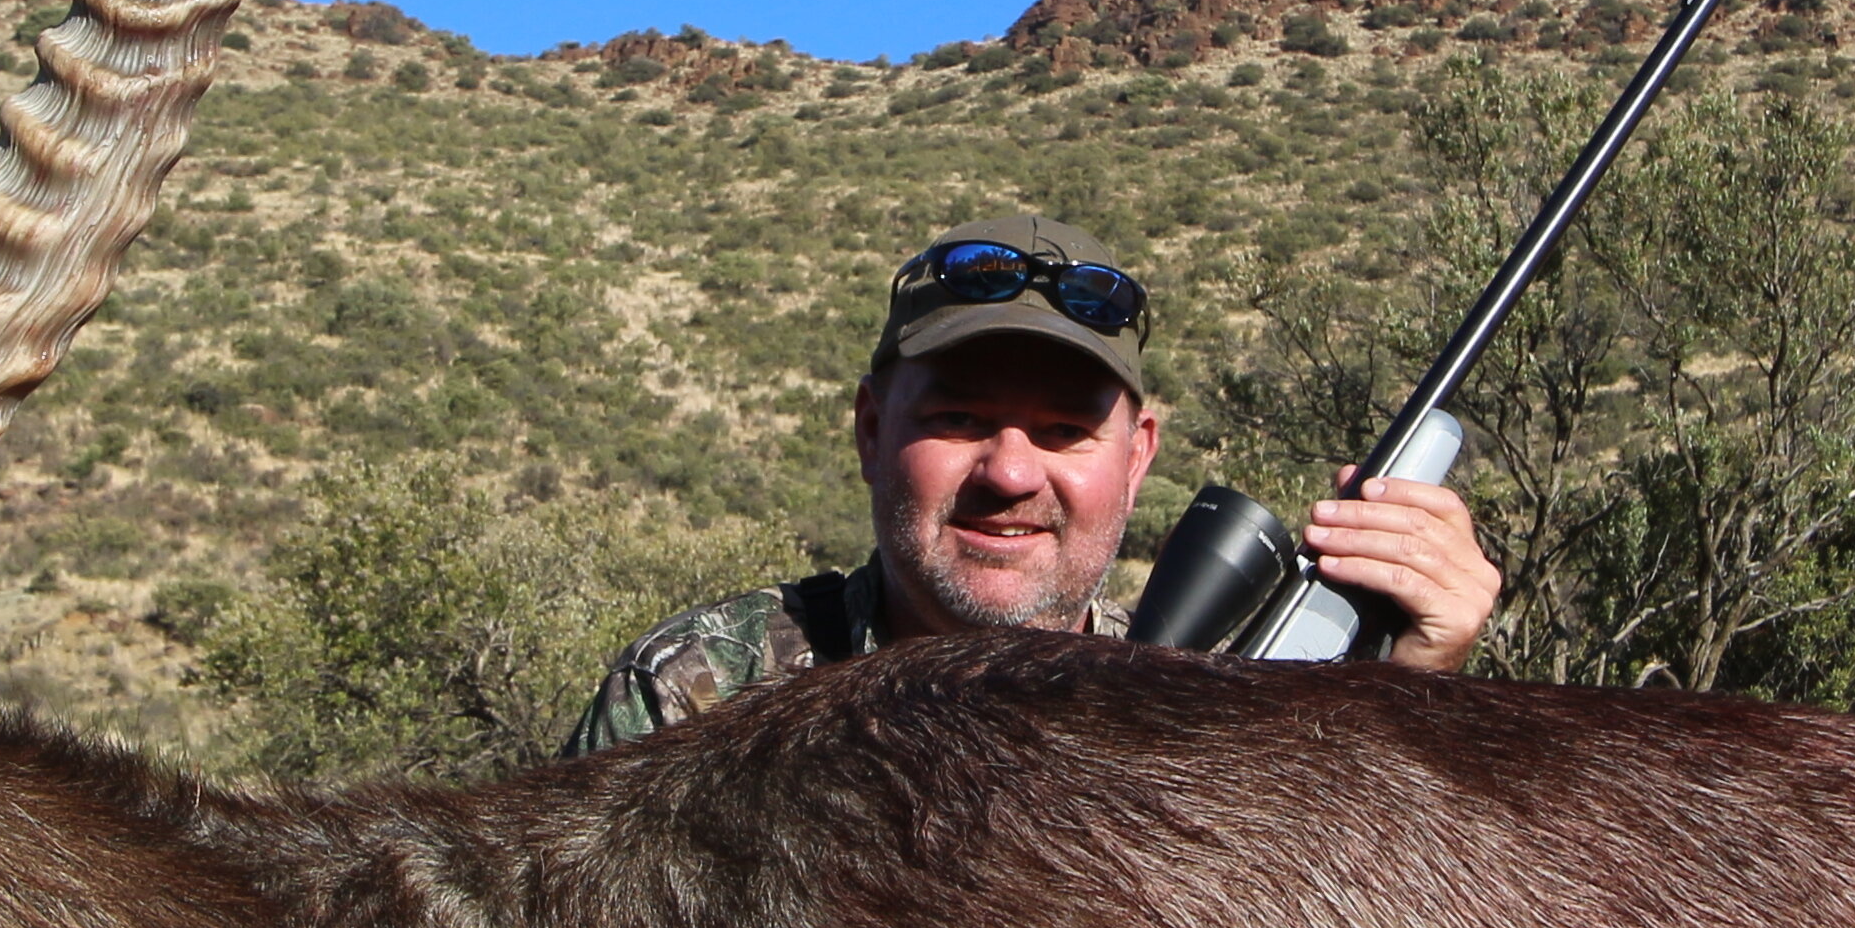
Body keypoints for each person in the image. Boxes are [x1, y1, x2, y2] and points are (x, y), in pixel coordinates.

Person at [562, 220, 1502, 753]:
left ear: (1137, 459)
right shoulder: (699, 694)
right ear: (870, 431)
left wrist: (1419, 684)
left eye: (1064, 433)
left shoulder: (1223, 708)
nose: (1011, 474)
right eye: (961, 419)